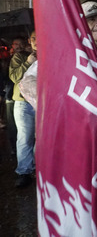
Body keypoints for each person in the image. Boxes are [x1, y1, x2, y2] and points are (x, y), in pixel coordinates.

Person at [9, 31, 37, 188]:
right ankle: (24, 172)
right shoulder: (19, 57)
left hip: (43, 103)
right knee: (25, 138)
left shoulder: (49, 54)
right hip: (23, 103)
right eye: (34, 38)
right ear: (29, 41)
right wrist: (28, 62)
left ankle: (41, 169)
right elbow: (14, 77)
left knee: (42, 139)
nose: (37, 41)